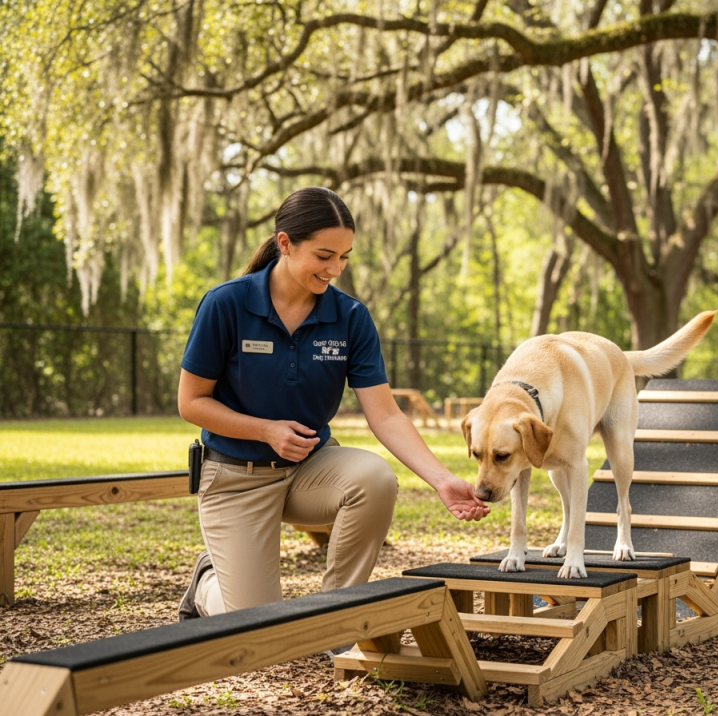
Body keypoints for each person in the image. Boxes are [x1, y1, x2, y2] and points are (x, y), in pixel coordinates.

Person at [176, 186, 489, 622]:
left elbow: (385, 413)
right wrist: (266, 430)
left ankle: (336, 616)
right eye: (324, 256)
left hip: (309, 469)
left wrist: (441, 480)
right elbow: (191, 403)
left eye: (344, 257)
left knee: (375, 478)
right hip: (236, 477)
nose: (335, 269)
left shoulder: (349, 317)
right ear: (285, 243)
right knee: (260, 629)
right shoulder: (227, 304)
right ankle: (208, 582)